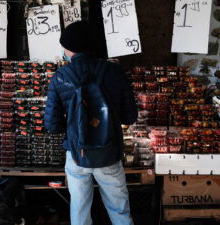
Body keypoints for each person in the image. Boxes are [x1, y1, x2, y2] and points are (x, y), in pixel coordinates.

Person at [44, 21, 138, 225]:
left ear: (70, 48)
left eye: (64, 46)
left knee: (79, 208)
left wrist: (75, 123)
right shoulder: (115, 72)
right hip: (109, 152)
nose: (63, 50)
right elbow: (129, 117)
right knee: (119, 208)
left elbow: (52, 125)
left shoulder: (61, 77)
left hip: (77, 153)